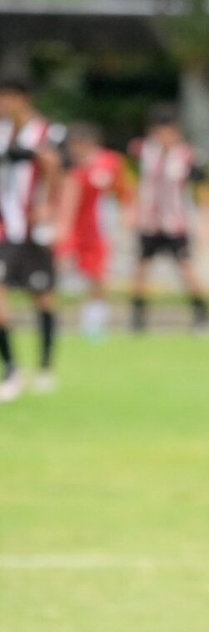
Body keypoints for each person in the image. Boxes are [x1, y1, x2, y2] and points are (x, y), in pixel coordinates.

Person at [0, 77, 67, 400]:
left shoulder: (48, 132)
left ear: (22, 98)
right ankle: (12, 369)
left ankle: (45, 366)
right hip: (4, 228)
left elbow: (58, 168)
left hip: (33, 229)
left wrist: (50, 206)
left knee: (42, 296)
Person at [128, 105, 209, 334]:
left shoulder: (187, 155)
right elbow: (135, 182)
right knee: (141, 269)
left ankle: (202, 316)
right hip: (150, 221)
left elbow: (203, 189)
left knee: (186, 268)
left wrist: (206, 223)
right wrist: (133, 211)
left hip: (175, 222)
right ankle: (138, 319)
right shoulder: (144, 151)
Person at [58, 123, 135, 340]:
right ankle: (56, 320)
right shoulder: (69, 166)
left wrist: (127, 216)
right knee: (59, 272)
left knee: (97, 277)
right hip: (72, 228)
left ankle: (94, 324)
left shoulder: (110, 163)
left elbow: (124, 192)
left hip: (98, 230)